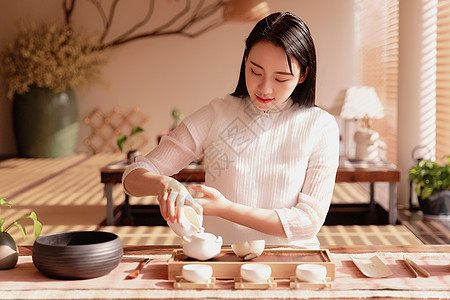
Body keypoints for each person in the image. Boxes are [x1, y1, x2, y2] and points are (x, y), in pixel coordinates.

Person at [122, 12, 339, 248]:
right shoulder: (218, 113)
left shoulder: (321, 126)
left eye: (281, 78)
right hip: (221, 261)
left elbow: (308, 222)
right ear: (245, 58)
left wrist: (226, 209)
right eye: (256, 72)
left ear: (303, 75)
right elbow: (133, 176)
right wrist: (163, 184)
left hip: (292, 265)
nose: (265, 88)